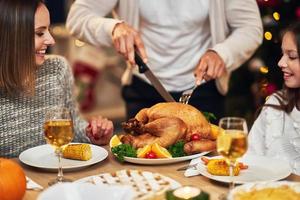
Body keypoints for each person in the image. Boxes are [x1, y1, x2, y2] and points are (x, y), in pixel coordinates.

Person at [66, 0, 263, 123]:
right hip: (143, 88)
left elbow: (250, 27)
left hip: (203, 91)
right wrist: (113, 28)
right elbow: (77, 18)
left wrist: (222, 53)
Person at [0, 0, 113, 158]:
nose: (51, 40)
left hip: (56, 174)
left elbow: (72, 127)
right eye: (40, 33)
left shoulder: (57, 68)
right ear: (12, 36)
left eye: (48, 29)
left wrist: (92, 133)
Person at [248, 22, 300, 174]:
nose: (280, 63)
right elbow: (249, 158)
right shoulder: (275, 104)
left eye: (292, 56)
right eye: (283, 54)